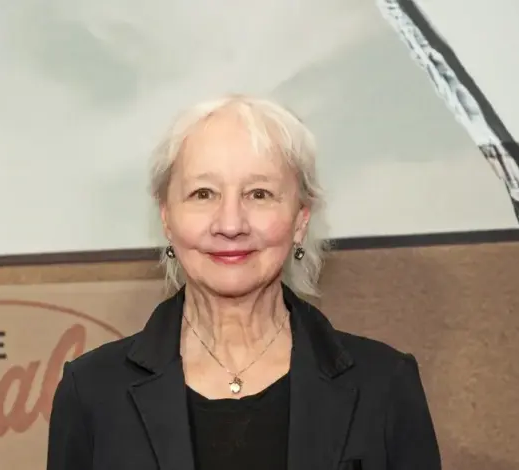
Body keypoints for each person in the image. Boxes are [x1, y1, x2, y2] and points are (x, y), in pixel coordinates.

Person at [46, 95, 442, 470]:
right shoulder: (92, 391)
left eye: (259, 194)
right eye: (203, 193)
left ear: (300, 219)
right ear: (167, 217)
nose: (231, 224)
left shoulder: (384, 385)